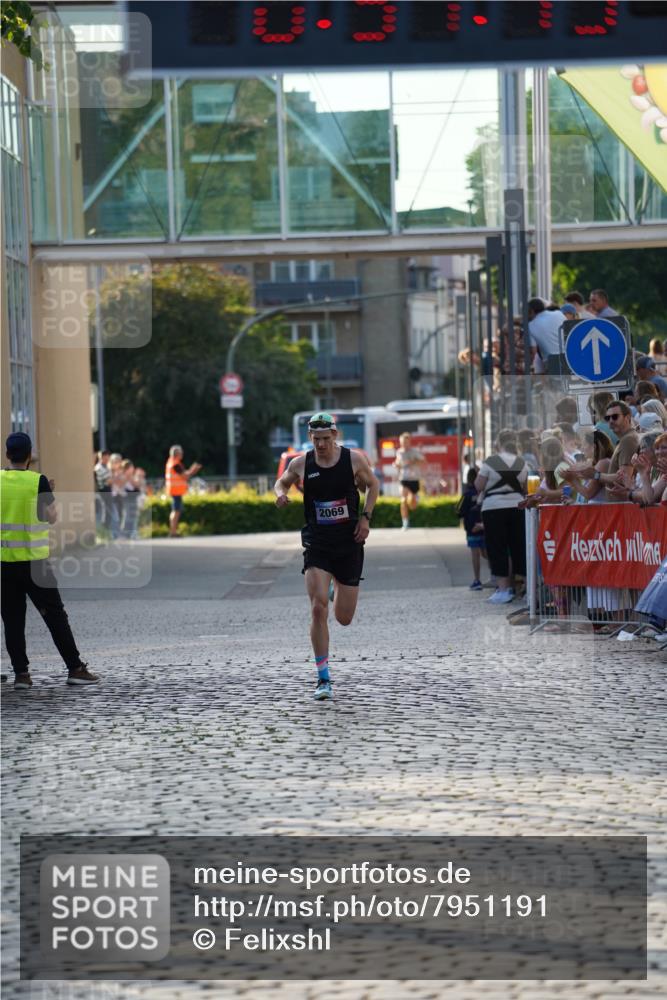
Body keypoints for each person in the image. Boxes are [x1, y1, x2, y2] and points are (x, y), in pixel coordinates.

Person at [274, 412, 379, 701]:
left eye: (325, 439)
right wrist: (279, 494)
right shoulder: (301, 463)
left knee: (343, 618)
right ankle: (323, 679)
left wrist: (365, 519)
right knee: (317, 607)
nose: (320, 444)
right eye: (316, 439)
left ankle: (336, 588)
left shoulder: (353, 459)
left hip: (349, 541)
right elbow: (281, 482)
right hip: (317, 541)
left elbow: (373, 485)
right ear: (311, 438)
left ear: (335, 436)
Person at [0, 432, 99, 689]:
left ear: (7, 454)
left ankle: (21, 675)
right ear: (30, 455)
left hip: (5, 564)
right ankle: (75, 668)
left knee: (12, 619)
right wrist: (47, 493)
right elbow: (51, 517)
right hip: (35, 563)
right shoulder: (38, 481)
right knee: (55, 616)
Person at [475, 430, 528, 605]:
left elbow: (479, 485)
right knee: (518, 546)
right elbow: (525, 486)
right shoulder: (522, 462)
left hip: (493, 508)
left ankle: (504, 590)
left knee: (497, 548)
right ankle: (526, 588)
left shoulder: (490, 462)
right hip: (517, 506)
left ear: (498, 443)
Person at [574, 400, 640, 498]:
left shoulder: (628, 440)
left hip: (622, 506)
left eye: (615, 417)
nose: (611, 421)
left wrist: (596, 475)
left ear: (627, 418)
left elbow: (624, 477)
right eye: (607, 418)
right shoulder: (624, 440)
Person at [457, 468, 486, 591]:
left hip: (471, 528)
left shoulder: (467, 494)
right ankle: (496, 576)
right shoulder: (484, 492)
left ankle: (477, 580)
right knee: (486, 553)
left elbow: (459, 511)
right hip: (485, 527)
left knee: (475, 555)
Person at [164, 445, 202, 538]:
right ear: (177, 454)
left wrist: (191, 471)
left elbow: (183, 474)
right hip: (176, 491)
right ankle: (173, 532)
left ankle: (173, 531)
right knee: (176, 511)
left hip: (174, 490)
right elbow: (185, 476)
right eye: (181, 453)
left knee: (176, 511)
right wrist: (194, 470)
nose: (182, 455)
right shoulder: (175, 464)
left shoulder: (171, 462)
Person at [393, 431, 426, 530]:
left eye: (405, 442)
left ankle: (414, 499)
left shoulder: (414, 452)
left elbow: (423, 461)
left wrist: (412, 461)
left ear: (409, 442)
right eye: (402, 442)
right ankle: (405, 522)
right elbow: (398, 462)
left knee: (412, 504)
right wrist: (396, 464)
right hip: (404, 479)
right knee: (403, 500)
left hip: (414, 479)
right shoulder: (399, 452)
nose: (403, 444)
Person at [527, 298, 564, 372]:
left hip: (552, 362)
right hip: (569, 358)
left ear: (531, 311)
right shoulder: (558, 314)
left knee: (556, 383)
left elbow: (533, 351)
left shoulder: (530, 326)